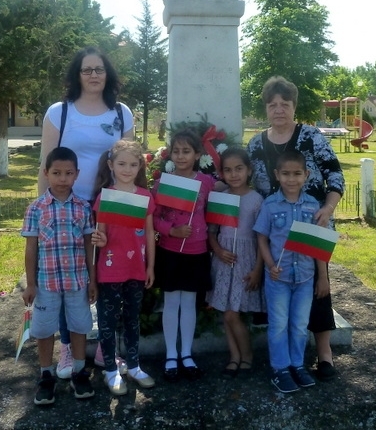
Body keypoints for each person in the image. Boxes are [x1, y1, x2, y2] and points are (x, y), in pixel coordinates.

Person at [37, 46, 134, 380]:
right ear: (77, 75)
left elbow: (130, 159)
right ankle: (67, 345)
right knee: (71, 280)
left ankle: (106, 346)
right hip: (68, 209)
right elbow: (45, 164)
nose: (94, 75)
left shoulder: (121, 113)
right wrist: (43, 209)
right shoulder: (59, 112)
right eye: (87, 69)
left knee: (110, 276)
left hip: (111, 206)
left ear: (108, 74)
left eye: (99, 69)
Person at [247, 76, 345, 382]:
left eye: (285, 104)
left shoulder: (311, 136)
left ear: (294, 107)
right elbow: (247, 182)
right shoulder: (256, 143)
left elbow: (335, 174)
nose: (278, 109)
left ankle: (324, 353)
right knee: (280, 291)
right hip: (275, 226)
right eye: (272, 104)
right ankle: (285, 360)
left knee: (317, 285)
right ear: (266, 108)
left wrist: (328, 208)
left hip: (311, 221)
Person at [21, 147, 96, 406]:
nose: (62, 178)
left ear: (77, 174)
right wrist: (30, 284)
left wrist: (93, 280)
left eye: (68, 173)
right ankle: (46, 376)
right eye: (56, 173)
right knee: (43, 329)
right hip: (46, 284)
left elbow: (89, 246)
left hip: (77, 282)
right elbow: (31, 249)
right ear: (46, 173)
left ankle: (79, 372)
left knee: (79, 326)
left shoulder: (83, 208)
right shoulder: (36, 208)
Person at [90, 140, 157, 396]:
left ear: (140, 166)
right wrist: (100, 241)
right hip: (110, 270)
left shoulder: (145, 197)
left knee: (132, 319)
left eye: (133, 164)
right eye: (121, 164)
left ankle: (134, 366)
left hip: (136, 269)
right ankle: (110, 369)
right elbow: (101, 234)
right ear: (111, 165)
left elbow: (149, 233)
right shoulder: (106, 196)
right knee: (107, 321)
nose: (127, 169)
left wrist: (151, 266)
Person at [254, 150, 321, 394]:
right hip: (278, 278)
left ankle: (297, 365)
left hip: (305, 277)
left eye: (297, 174)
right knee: (279, 324)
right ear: (277, 175)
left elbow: (318, 244)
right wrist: (271, 265)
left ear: (306, 175)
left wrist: (322, 277)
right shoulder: (270, 205)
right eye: (285, 174)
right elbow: (262, 238)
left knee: (300, 324)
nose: (291, 179)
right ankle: (280, 368)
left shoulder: (313, 205)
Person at [152, 129, 215, 382]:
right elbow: (153, 217)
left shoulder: (206, 182)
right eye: (176, 151)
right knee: (171, 302)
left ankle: (186, 354)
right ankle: (171, 355)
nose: (180, 156)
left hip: (196, 251)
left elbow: (222, 197)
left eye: (186, 151)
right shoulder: (163, 183)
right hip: (170, 251)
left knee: (189, 303)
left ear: (197, 155)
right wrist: (171, 230)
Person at [206, 147, 265, 378]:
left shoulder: (256, 200)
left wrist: (258, 269)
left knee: (233, 313)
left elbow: (262, 238)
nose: (234, 174)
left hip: (245, 260)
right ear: (222, 173)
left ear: (249, 170)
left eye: (239, 168)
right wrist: (218, 250)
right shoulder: (221, 196)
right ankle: (234, 357)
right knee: (225, 312)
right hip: (223, 260)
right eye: (228, 170)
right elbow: (212, 231)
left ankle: (247, 355)